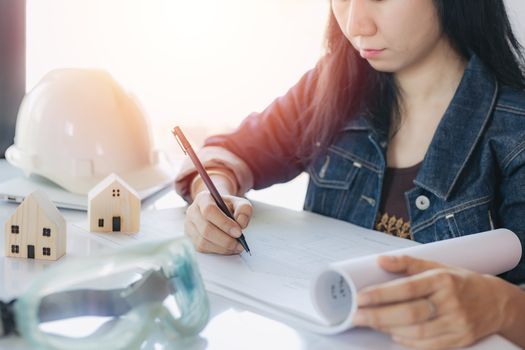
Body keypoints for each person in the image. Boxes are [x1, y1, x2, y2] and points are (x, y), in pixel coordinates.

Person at [175, 0, 525, 347]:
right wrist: (210, 196)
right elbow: (228, 152)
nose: (357, 25)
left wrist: (505, 309)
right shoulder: (330, 87)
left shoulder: (515, 128)